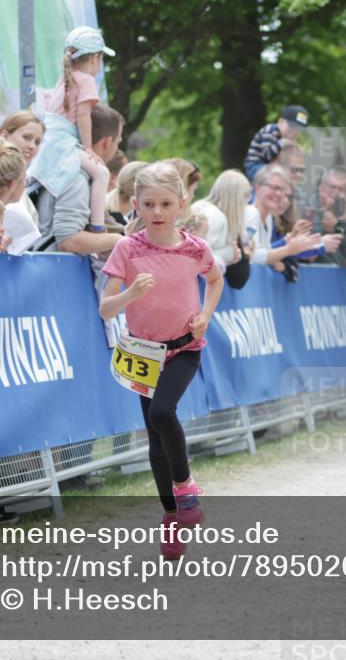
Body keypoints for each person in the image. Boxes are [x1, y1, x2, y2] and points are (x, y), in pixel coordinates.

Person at [99, 161, 224, 560]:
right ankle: (172, 516)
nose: (156, 212)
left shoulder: (195, 248)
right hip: (142, 352)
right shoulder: (127, 248)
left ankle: (185, 486)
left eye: (165, 204)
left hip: (184, 348)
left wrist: (205, 314)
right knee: (155, 442)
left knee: (163, 413)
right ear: (135, 204)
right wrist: (130, 295)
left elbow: (216, 279)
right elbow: (105, 308)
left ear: (181, 205)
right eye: (148, 204)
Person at [30, 26, 115, 234]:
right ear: (95, 58)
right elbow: (83, 116)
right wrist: (88, 148)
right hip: (63, 139)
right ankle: (97, 225)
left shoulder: (66, 77)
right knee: (102, 173)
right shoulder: (86, 80)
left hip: (52, 135)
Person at [244, 165, 325, 277]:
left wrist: (291, 240)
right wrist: (288, 249)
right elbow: (252, 256)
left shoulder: (268, 218)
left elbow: (266, 254)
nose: (278, 194)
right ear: (258, 188)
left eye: (282, 190)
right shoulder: (251, 213)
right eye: (274, 188)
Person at [0, 111, 45, 253]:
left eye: (37, 142)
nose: (32, 146)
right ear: (5, 136)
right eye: (27, 137)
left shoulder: (25, 194)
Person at [190, 169, 250, 271]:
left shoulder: (200, 205)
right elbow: (199, 256)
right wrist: (230, 253)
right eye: (245, 195)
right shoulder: (216, 217)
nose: (248, 200)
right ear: (235, 197)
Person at [244, 105, 309, 181]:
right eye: (291, 128)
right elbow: (267, 155)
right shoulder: (270, 131)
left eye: (298, 130)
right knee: (269, 179)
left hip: (271, 167)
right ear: (280, 122)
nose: (293, 133)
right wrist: (282, 143)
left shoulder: (287, 138)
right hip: (256, 165)